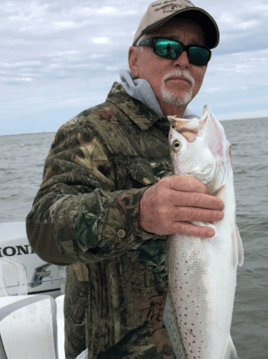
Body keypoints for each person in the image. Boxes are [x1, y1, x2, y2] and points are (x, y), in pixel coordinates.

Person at [26, 1, 224, 358]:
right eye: (167, 47)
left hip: (194, 343)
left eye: (197, 53)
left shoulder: (201, 142)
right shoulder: (90, 130)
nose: (183, 60)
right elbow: (44, 228)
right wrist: (139, 212)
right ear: (135, 59)